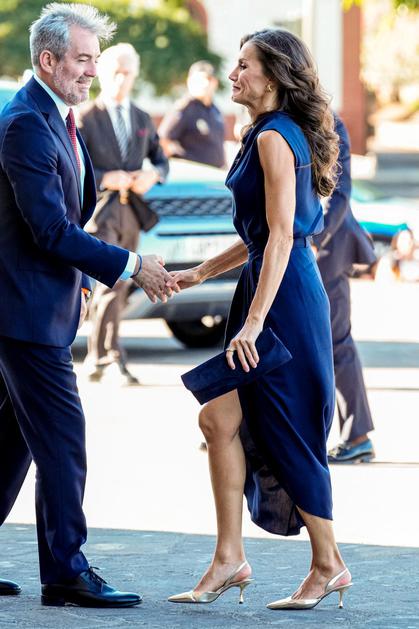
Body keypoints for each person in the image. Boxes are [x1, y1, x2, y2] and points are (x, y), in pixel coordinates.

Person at [166, 28, 352, 610]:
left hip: (283, 300)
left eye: (244, 65)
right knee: (218, 419)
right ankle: (229, 559)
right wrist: (199, 274)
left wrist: (253, 323)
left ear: (272, 77)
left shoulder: (274, 137)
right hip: (273, 286)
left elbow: (280, 238)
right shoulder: (269, 132)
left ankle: (329, 564)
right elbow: (261, 235)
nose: (233, 74)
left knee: (287, 427)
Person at [0, 3, 175, 607]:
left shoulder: (58, 118)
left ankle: (62, 568)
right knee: (63, 441)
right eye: (82, 59)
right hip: (22, 312)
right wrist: (130, 265)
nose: (92, 72)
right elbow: (50, 229)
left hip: (36, 305)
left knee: (11, 442)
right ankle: (65, 573)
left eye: (95, 60)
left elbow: (68, 216)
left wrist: (80, 280)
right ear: (47, 60)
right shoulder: (26, 123)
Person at [78, 43, 169, 385]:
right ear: (102, 73)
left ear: (135, 75)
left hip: (132, 212)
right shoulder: (86, 117)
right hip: (100, 212)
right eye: (115, 72)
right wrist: (104, 178)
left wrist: (153, 175)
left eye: (127, 73)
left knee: (122, 284)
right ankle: (108, 356)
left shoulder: (141, 117)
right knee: (111, 280)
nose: (121, 79)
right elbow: (73, 167)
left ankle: (99, 357)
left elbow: (161, 160)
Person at [313, 115, 377, 464]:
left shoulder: (329, 122)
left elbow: (338, 193)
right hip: (285, 247)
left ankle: (357, 437)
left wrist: (312, 241)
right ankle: (238, 428)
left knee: (337, 342)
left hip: (326, 250)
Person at [158, 60, 225, 168]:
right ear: (189, 81)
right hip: (193, 174)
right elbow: (162, 140)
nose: (204, 83)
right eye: (199, 79)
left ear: (215, 82)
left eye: (208, 79)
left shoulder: (215, 110)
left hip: (216, 173)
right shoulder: (184, 108)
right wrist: (179, 156)